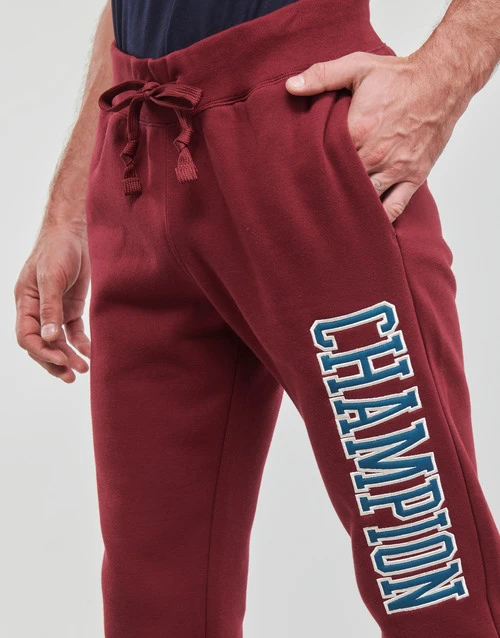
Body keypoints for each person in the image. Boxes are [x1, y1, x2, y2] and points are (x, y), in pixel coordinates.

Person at [13, 0, 500, 635]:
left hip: (299, 125)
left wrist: (442, 77)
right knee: (152, 608)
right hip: (138, 147)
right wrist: (69, 211)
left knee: (428, 580)